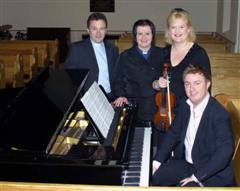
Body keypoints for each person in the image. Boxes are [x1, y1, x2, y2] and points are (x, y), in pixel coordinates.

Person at [151, 64, 236, 187]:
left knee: (186, 188)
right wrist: (156, 162)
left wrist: (197, 177)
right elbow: (173, 134)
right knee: (156, 176)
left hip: (211, 174)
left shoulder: (219, 114)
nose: (191, 89)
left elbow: (225, 151)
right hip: (189, 164)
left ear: (208, 84)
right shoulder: (185, 106)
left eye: (197, 83)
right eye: (187, 84)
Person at [152, 8, 211, 113]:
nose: (177, 31)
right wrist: (157, 84)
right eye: (173, 27)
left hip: (190, 111)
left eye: (181, 27)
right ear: (169, 30)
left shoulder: (199, 54)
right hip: (165, 112)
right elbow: (153, 82)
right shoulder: (163, 52)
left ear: (188, 29)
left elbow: (206, 89)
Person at [112, 19, 164, 122]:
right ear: (135, 36)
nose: (144, 38)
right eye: (140, 34)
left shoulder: (162, 54)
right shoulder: (125, 56)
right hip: (135, 107)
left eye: (147, 34)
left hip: (157, 107)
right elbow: (117, 80)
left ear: (152, 35)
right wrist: (120, 95)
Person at [64, 12, 119, 100]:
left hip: (110, 97)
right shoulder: (77, 49)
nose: (98, 33)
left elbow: (117, 75)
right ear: (88, 30)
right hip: (88, 99)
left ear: (106, 30)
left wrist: (118, 95)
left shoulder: (113, 49)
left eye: (101, 28)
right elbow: (69, 77)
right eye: (94, 29)